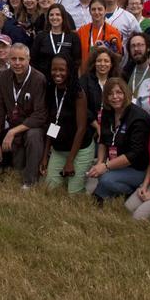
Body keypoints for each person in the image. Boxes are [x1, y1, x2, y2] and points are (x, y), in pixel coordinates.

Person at [0, 44, 48, 189]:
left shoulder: (38, 79)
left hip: (33, 128)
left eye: (21, 59)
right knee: (17, 168)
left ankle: (30, 182)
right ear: (8, 60)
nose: (17, 63)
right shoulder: (4, 77)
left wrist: (12, 131)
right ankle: (22, 171)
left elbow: (40, 115)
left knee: (33, 135)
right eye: (14, 59)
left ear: (29, 59)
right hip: (14, 127)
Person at [87, 79, 150, 201]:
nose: (115, 97)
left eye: (119, 92)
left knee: (105, 178)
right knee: (98, 173)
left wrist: (105, 166)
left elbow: (134, 155)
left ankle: (128, 193)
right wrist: (100, 162)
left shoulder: (139, 118)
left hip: (136, 167)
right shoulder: (108, 111)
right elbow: (103, 141)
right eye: (110, 94)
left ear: (126, 93)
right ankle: (106, 193)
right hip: (116, 163)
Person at [40, 56, 94, 195]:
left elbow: (81, 128)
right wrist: (45, 156)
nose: (57, 73)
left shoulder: (78, 93)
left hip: (80, 150)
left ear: (69, 71)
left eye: (62, 70)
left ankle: (89, 181)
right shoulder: (51, 90)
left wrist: (70, 161)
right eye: (54, 69)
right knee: (50, 191)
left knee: (73, 194)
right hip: (59, 149)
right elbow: (53, 124)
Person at [30, 4, 82, 78]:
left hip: (66, 78)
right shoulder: (40, 36)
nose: (54, 17)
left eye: (58, 15)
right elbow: (33, 60)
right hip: (44, 78)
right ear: (48, 17)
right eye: (51, 15)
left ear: (63, 17)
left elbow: (77, 61)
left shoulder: (73, 37)